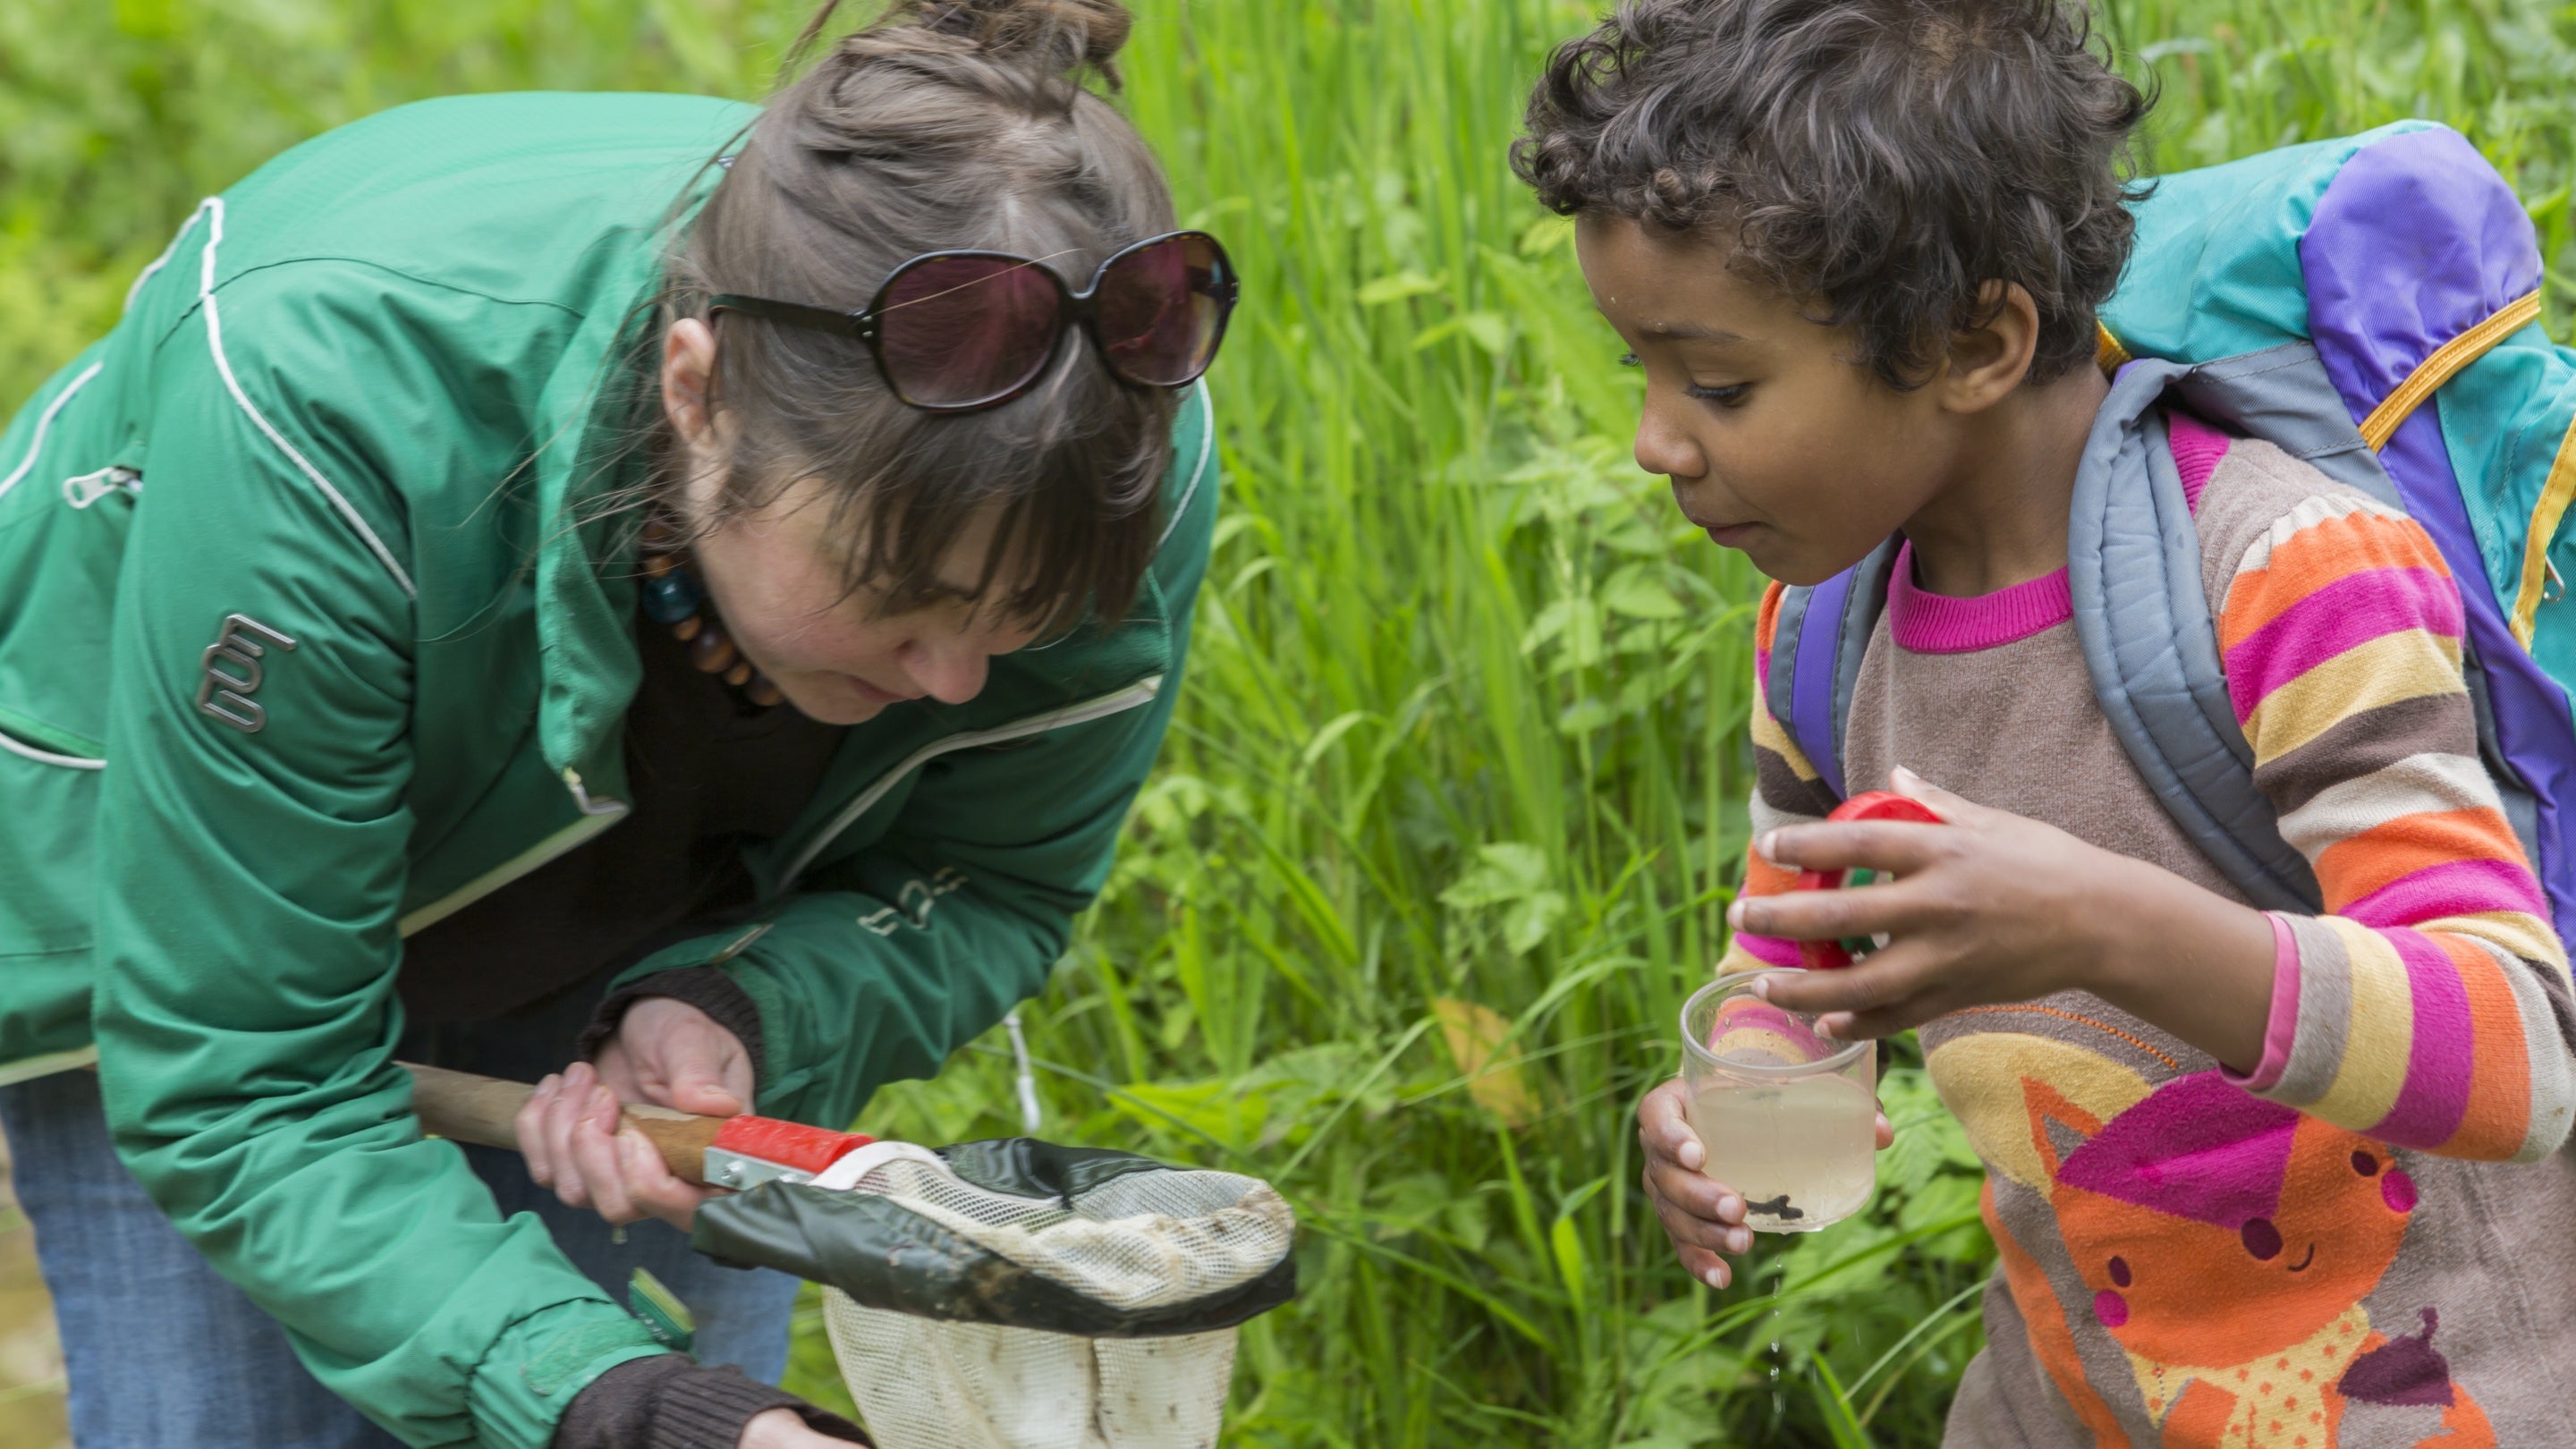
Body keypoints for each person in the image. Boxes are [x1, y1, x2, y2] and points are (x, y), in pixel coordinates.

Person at [0, 0, 1233, 1444]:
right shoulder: (327, 400)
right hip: (206, 918)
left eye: (1020, 612)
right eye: (901, 594)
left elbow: (990, 882)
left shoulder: (1110, 447)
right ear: (694, 391)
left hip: (646, 895)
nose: (958, 676)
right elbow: (248, 1083)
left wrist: (736, 1002)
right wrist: (635, 1414)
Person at [1518, 0, 2576, 1440]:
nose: (1657, 440)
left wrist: (2099, 927)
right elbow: (1787, 970)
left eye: (1718, 382)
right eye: (1641, 369)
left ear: (1975, 342)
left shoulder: (2281, 573)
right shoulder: (1826, 631)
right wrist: (1740, 1093)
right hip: (2067, 1397)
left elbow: (2517, 1051)